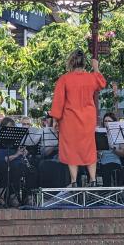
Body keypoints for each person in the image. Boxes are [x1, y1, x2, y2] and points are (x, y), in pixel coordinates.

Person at [50, 49, 106, 187]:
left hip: (70, 119)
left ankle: (74, 181)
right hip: (87, 118)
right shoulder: (91, 77)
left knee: (71, 148)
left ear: (71, 62)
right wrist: (96, 67)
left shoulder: (64, 79)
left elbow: (58, 101)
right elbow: (102, 83)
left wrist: (55, 119)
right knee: (89, 147)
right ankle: (93, 180)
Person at [98, 113, 124, 187]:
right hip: (100, 161)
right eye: (105, 121)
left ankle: (110, 193)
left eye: (109, 121)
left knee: (108, 167)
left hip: (114, 161)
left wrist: (113, 148)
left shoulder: (119, 134)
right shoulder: (99, 133)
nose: (107, 123)